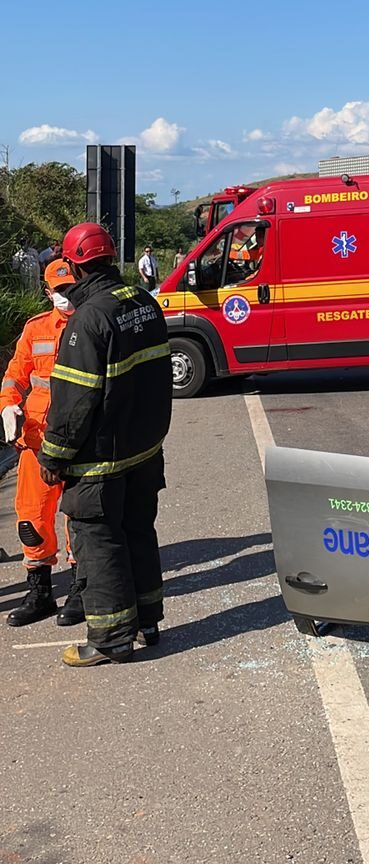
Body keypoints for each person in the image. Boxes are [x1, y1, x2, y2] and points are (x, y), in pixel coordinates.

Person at [37, 222, 173, 667]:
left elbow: (74, 401)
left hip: (102, 459)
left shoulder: (88, 319)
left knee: (100, 543)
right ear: (111, 257)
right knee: (138, 531)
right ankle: (148, 621)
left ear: (74, 265)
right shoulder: (144, 303)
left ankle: (111, 638)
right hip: (144, 450)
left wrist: (53, 454)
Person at [1, 260, 84, 627]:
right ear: (47, 292)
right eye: (59, 291)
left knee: (80, 520)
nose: (65, 297)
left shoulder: (91, 324)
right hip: (36, 441)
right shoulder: (35, 329)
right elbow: (15, 375)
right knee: (32, 520)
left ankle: (82, 589)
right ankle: (40, 592)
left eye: (71, 289)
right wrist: (7, 407)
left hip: (80, 442)